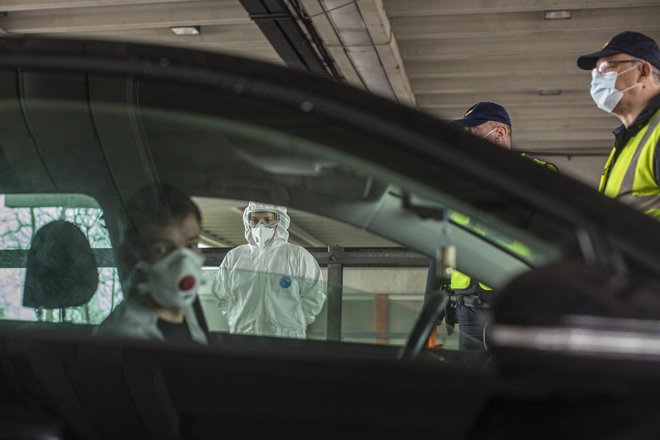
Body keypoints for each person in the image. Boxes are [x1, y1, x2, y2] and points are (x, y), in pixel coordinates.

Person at [425, 102, 556, 350]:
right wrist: (432, 311)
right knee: (474, 384)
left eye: (473, 134)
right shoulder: (458, 185)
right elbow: (443, 248)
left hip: (516, 308)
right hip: (467, 311)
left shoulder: (537, 179)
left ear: (499, 133)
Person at [97, 184, 208, 343]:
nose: (184, 262)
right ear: (129, 257)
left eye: (191, 245)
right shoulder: (123, 339)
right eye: (162, 249)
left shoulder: (188, 317)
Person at [577, 31, 660, 219]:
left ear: (643, 71)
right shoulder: (633, 138)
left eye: (606, 68)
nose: (596, 79)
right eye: (595, 71)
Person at [212, 201, 325, 338]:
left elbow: (314, 296)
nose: (261, 225)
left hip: (286, 341)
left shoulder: (298, 256)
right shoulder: (234, 257)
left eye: (267, 220)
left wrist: (292, 324)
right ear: (248, 221)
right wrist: (240, 319)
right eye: (254, 220)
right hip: (244, 338)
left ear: (280, 221)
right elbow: (221, 295)